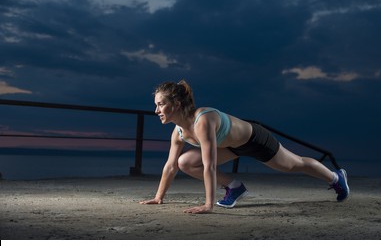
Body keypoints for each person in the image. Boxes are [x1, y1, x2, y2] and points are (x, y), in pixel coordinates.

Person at [140, 80, 350, 214]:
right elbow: (170, 166)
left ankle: (335, 178)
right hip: (231, 147)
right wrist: (159, 198)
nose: (156, 109)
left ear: (176, 104)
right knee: (184, 162)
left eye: (160, 104)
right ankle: (234, 187)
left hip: (254, 140)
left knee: (294, 164)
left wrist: (208, 205)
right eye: (156, 104)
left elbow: (210, 166)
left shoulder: (202, 120)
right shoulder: (178, 132)